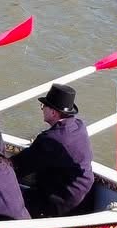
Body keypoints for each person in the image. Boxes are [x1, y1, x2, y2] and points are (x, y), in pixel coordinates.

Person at [13, 82, 96, 217]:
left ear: (53, 112)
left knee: (4, 198)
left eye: (43, 106)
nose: (42, 109)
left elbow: (20, 166)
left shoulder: (50, 139)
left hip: (61, 203)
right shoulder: (79, 126)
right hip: (85, 198)